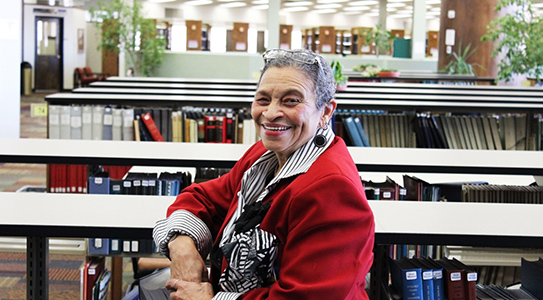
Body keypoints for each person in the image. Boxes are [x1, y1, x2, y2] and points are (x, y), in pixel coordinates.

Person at [153, 48, 375, 300]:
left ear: (325, 112)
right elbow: (203, 197)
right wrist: (181, 244)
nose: (270, 113)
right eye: (263, 99)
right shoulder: (264, 154)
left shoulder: (333, 190)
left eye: (291, 100)